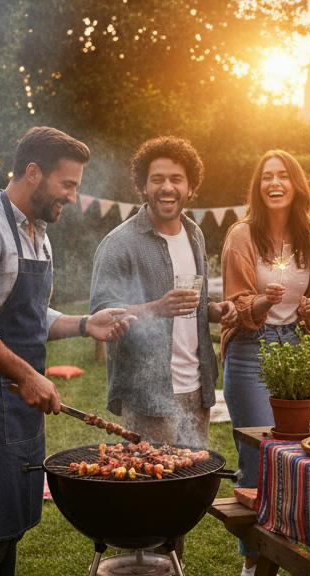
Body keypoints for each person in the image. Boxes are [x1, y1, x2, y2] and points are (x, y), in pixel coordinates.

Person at [0, 126, 129, 576]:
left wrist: (85, 324)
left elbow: (29, 315)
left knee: (12, 526)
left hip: (17, 401)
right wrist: (26, 376)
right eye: (68, 185)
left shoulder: (38, 233)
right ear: (34, 173)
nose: (73, 197)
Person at [220, 150, 310, 576]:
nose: (275, 182)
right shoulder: (242, 235)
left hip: (295, 349)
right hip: (250, 346)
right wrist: (265, 300)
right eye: (267, 176)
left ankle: (281, 546)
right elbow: (235, 302)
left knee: (292, 453)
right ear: (258, 186)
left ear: (296, 185)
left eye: (283, 175)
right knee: (258, 455)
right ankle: (253, 562)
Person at [89, 135, 236, 449]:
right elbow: (99, 316)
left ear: (190, 187)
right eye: (157, 179)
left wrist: (214, 310)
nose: (167, 187)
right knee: (152, 488)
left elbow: (192, 304)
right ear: (143, 186)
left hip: (198, 387)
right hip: (148, 392)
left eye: (176, 179)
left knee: (192, 482)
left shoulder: (194, 234)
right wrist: (156, 307)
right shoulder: (119, 243)